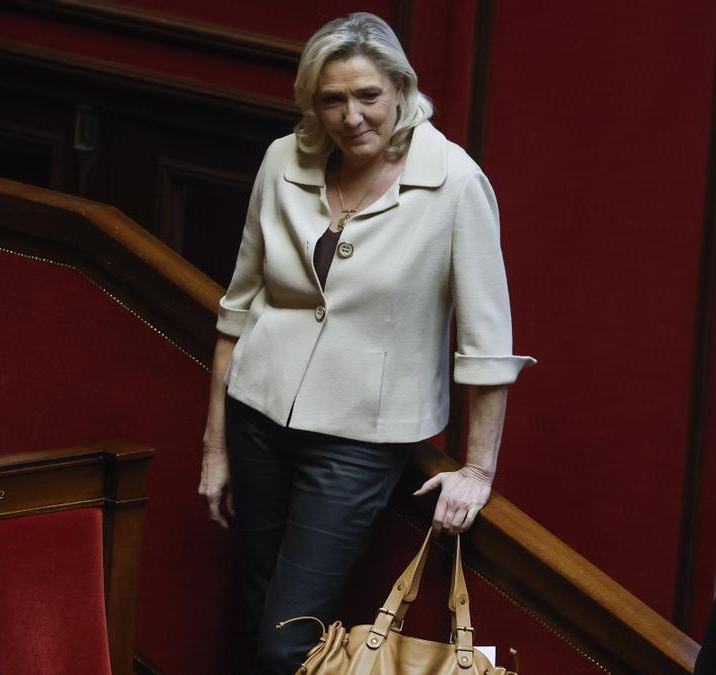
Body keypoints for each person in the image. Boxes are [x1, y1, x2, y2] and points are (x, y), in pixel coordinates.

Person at [196, 12, 534, 674]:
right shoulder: (281, 160)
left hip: (358, 443)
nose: (351, 116)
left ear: (401, 89)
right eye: (333, 99)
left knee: (285, 641)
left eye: (368, 95)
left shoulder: (455, 183)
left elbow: (487, 342)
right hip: (255, 417)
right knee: (257, 611)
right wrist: (215, 446)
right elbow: (237, 309)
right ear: (312, 101)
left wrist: (478, 469)